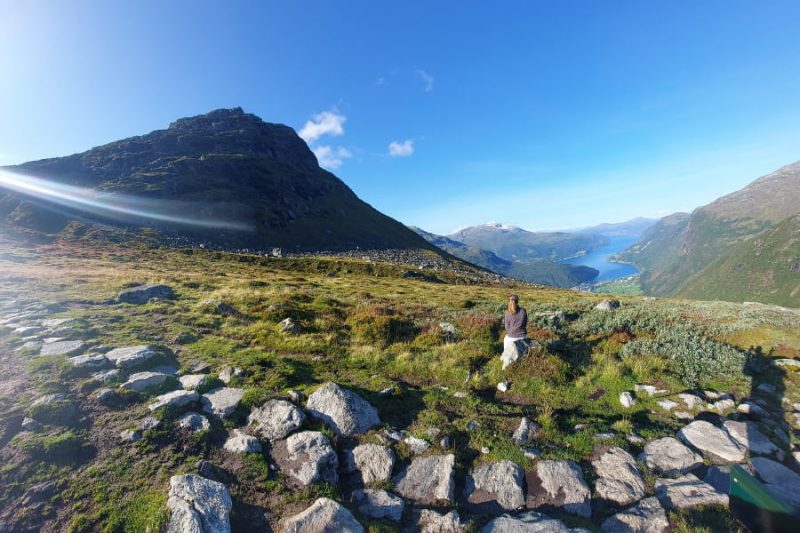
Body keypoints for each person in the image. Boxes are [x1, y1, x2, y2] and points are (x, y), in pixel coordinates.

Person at [502, 294, 529, 369]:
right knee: (522, 355)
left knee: (507, 353)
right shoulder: (523, 311)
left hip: (511, 337)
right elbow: (525, 323)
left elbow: (507, 327)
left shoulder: (507, 312)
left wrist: (512, 332)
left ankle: (506, 366)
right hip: (522, 337)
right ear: (517, 302)